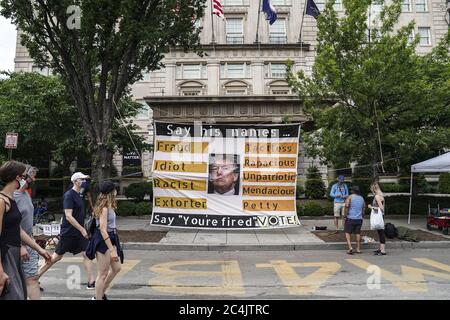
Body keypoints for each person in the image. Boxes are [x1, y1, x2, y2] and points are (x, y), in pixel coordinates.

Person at [0, 161, 51, 300]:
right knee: (12, 294)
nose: (27, 180)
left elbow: (18, 229)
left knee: (19, 293)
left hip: (14, 251)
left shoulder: (11, 199)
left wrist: (38, 249)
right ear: (17, 177)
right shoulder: (2, 201)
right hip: (6, 253)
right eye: (24, 176)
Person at [38, 172, 96, 289]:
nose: (84, 182)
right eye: (82, 179)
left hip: (79, 232)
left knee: (86, 254)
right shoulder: (69, 195)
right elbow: (68, 216)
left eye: (84, 180)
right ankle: (34, 278)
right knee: (56, 257)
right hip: (69, 232)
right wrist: (82, 229)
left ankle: (91, 282)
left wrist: (82, 229)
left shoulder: (79, 195)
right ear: (75, 181)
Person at [86, 180, 123, 300]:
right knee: (102, 274)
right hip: (102, 240)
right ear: (111, 192)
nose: (117, 191)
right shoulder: (104, 208)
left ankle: (100, 294)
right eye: (115, 189)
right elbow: (102, 229)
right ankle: (97, 298)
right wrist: (112, 250)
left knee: (117, 268)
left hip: (110, 237)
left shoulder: (109, 205)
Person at [13, 165, 42, 299]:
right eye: (32, 176)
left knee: (32, 280)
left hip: (28, 241)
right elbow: (10, 224)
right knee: (13, 282)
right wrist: (21, 245)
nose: (34, 180)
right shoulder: (12, 196)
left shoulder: (25, 194)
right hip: (16, 244)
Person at [343, 185, 366, 255]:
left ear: (353, 191)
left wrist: (345, 216)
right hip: (359, 219)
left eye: (351, 190)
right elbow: (364, 209)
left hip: (350, 218)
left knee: (347, 232)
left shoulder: (350, 197)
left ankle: (350, 247)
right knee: (358, 233)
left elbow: (346, 207)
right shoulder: (362, 198)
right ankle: (358, 249)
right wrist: (362, 216)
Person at [368, 181, 386, 256]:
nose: (371, 191)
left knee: (381, 233)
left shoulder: (377, 196)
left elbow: (381, 208)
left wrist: (371, 207)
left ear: (374, 189)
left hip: (379, 216)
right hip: (381, 216)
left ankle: (383, 250)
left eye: (371, 189)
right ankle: (380, 248)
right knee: (380, 232)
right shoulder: (381, 196)